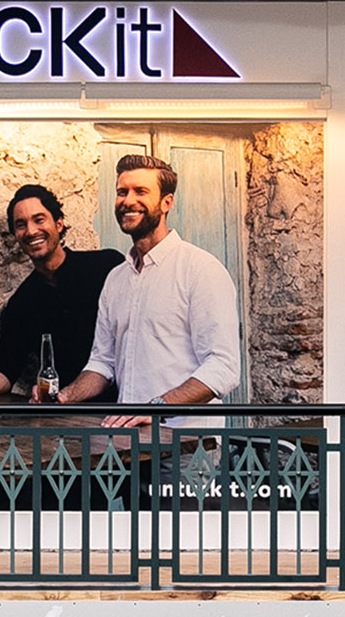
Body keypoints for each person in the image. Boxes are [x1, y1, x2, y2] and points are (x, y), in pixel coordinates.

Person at [48, 155, 240, 430]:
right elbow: (103, 363)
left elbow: (224, 366)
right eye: (121, 192)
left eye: (141, 191)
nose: (128, 200)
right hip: (129, 441)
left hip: (187, 445)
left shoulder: (201, 269)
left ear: (166, 203)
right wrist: (64, 396)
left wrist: (157, 408)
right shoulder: (116, 279)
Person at [0, 184, 124, 404]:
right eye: (21, 225)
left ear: (59, 224)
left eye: (39, 219)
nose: (31, 231)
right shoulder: (22, 303)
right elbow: (5, 370)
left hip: (127, 406)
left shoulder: (106, 266)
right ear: (15, 235)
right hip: (67, 414)